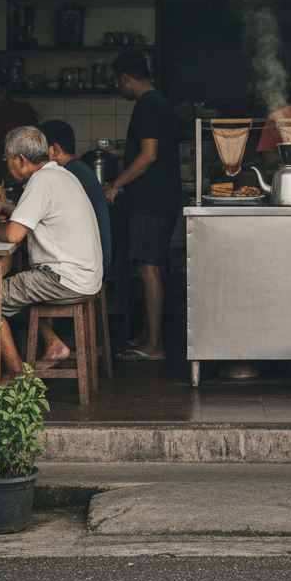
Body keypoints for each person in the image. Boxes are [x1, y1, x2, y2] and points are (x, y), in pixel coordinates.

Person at [0, 126, 102, 383]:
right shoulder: (59, 174)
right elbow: (33, 213)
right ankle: (54, 345)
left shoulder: (40, 181)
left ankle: (15, 374)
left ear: (21, 160)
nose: (6, 163)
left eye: (6, 158)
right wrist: (2, 206)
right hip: (84, 274)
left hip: (64, 277)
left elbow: (12, 235)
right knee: (12, 297)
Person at [103, 51, 180, 362]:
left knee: (148, 269)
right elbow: (148, 151)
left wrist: (116, 184)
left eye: (117, 82)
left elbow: (148, 155)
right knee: (149, 266)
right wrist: (121, 153)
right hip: (160, 197)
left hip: (152, 199)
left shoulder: (147, 105)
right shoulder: (158, 102)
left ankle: (155, 346)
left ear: (124, 77)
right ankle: (148, 337)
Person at [40, 119, 111, 270]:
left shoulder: (66, 175)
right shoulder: (78, 168)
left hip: (87, 266)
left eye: (39, 149)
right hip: (94, 259)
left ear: (55, 150)